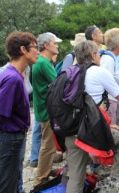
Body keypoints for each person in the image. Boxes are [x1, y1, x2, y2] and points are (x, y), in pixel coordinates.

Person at [65, 40, 119, 193]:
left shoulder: (69, 72)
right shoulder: (98, 71)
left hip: (70, 130)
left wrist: (106, 124)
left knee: (76, 177)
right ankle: (117, 181)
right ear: (94, 55)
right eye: (99, 53)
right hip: (88, 133)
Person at [0, 31, 39, 193]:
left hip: (12, 137)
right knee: (8, 182)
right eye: (35, 47)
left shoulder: (13, 73)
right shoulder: (13, 78)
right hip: (10, 138)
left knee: (14, 179)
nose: (38, 51)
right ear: (23, 50)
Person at [32, 32, 62, 186]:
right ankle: (40, 180)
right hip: (47, 111)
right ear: (46, 45)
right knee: (48, 147)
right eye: (54, 43)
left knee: (48, 145)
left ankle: (43, 175)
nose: (57, 45)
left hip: (43, 109)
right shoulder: (43, 63)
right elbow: (59, 84)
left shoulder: (40, 62)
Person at [100, 28, 119, 124]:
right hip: (108, 103)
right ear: (118, 44)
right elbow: (105, 83)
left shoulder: (110, 57)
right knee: (110, 134)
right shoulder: (108, 59)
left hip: (110, 102)